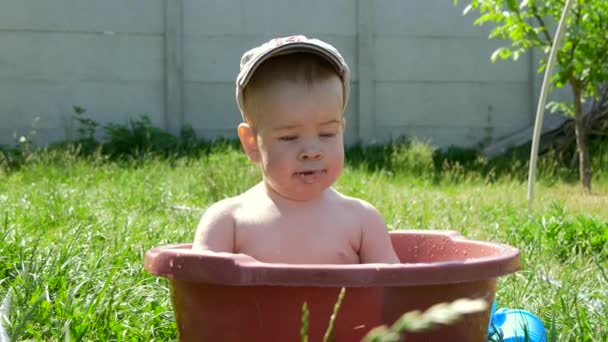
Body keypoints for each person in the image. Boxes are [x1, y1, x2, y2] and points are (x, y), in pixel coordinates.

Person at [193, 35, 399, 264]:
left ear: (341, 130)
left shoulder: (362, 221)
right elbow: (200, 291)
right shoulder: (229, 222)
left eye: (327, 134)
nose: (311, 151)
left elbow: (391, 292)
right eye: (289, 137)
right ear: (252, 143)